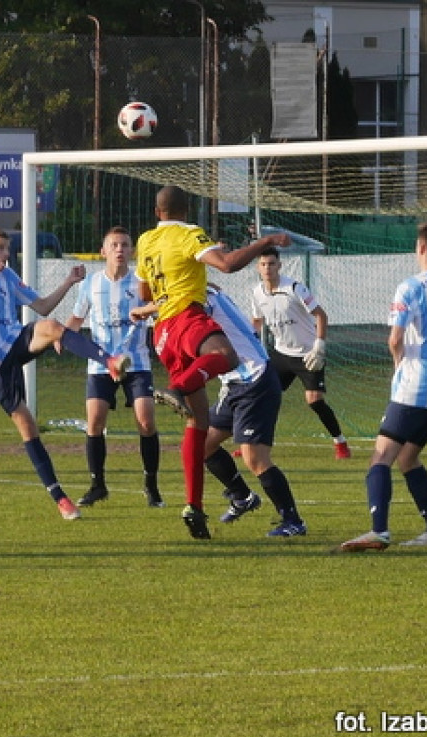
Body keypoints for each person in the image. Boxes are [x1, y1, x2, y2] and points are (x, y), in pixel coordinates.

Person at [131, 185, 290, 540]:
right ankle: (178, 387)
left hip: (162, 337)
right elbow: (229, 264)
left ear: (158, 212)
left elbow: (145, 293)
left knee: (198, 426)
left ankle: (194, 506)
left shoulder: (144, 241)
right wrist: (266, 241)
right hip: (186, 321)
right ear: (186, 211)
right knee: (224, 355)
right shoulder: (189, 234)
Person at [0, 226, 131, 520]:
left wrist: (69, 282)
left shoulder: (8, 276)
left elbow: (43, 306)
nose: (6, 255)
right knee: (27, 425)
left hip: (13, 340)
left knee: (52, 327)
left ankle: (110, 361)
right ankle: (60, 498)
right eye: (0, 249)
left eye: (7, 250)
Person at [339, 219, 427, 551]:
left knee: (381, 457)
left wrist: (399, 368)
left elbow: (395, 339)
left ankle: (378, 531)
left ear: (422, 247)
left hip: (417, 385)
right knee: (408, 459)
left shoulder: (411, 287)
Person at [64, 226, 163, 509]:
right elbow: (76, 318)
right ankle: (97, 485)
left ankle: (151, 485)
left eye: (125, 245)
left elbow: (161, 305)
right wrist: (61, 337)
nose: (120, 249)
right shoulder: (91, 284)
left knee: (146, 421)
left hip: (137, 362)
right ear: (103, 251)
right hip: (100, 364)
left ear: (132, 251)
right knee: (95, 422)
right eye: (114, 245)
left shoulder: (141, 283)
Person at [204, 284, 308, 537]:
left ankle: (293, 521)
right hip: (234, 382)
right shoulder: (200, 292)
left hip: (254, 380)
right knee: (203, 443)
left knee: (255, 458)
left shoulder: (200, 295)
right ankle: (242, 497)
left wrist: (145, 308)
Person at [251, 246, 351, 459]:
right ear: (257, 267)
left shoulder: (295, 288)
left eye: (271, 264)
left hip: (307, 354)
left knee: (314, 400)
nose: (267, 268)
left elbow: (321, 315)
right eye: (263, 264)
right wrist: (249, 343)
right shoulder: (258, 292)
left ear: (279, 265)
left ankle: (340, 442)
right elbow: (257, 321)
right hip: (281, 354)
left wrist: (319, 345)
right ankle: (253, 441)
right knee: (262, 397)